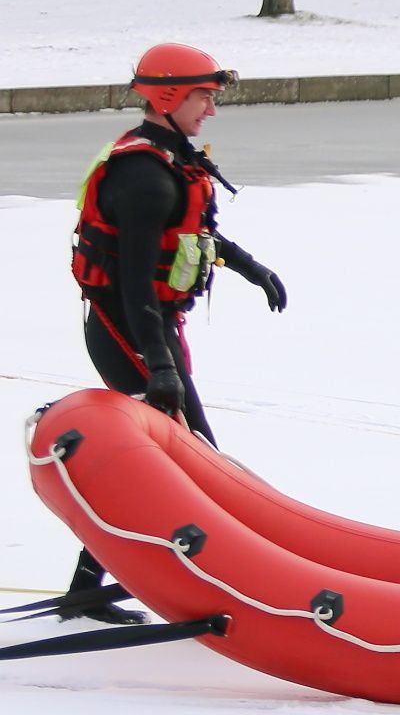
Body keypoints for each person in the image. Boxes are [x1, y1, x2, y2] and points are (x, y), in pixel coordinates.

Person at [50, 45, 287, 623]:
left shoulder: (170, 158)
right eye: (205, 96)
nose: (211, 108)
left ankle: (90, 584)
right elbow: (134, 286)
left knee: (184, 458)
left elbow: (195, 233)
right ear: (169, 96)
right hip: (127, 331)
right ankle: (206, 581)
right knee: (192, 457)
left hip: (152, 332)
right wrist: (158, 368)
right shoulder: (142, 178)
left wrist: (252, 267)